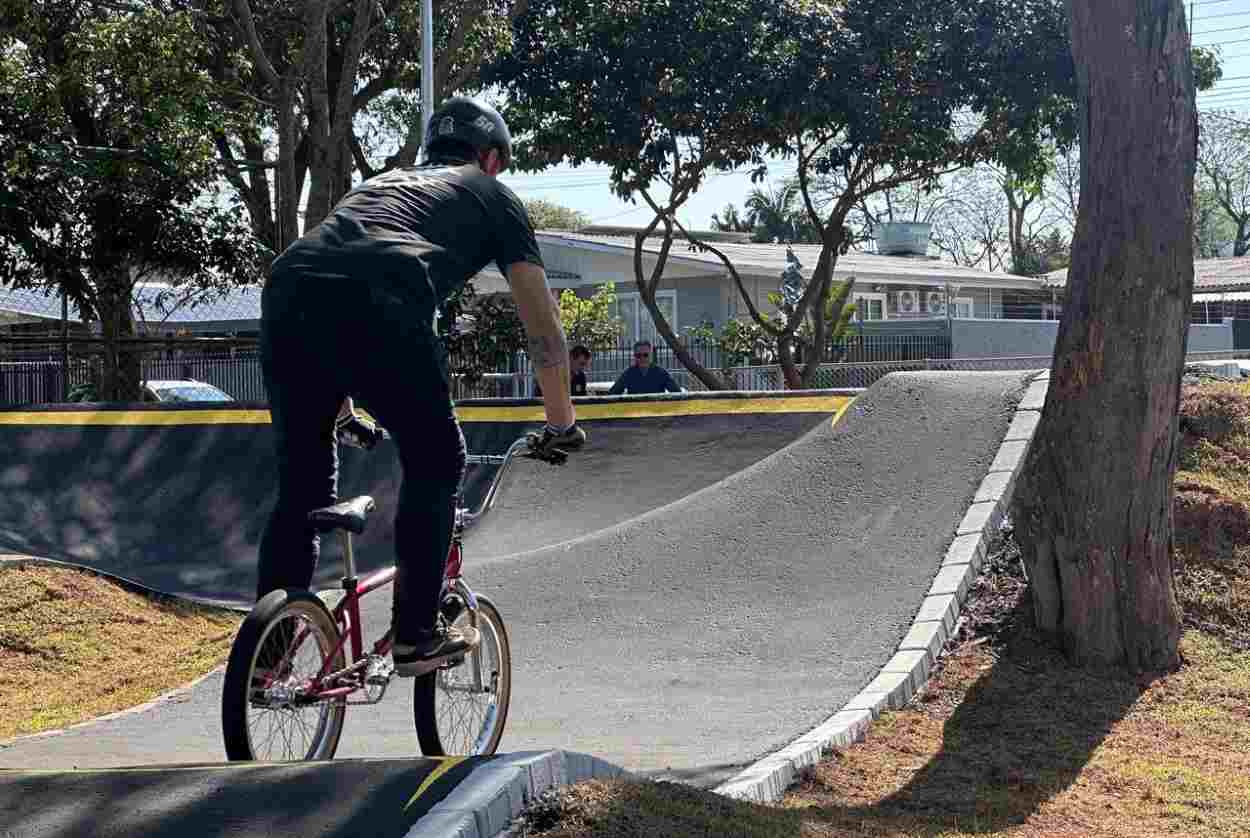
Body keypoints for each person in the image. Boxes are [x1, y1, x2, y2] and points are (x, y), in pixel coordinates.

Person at [258, 96, 586, 677]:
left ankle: (266, 658)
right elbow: (543, 327)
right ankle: (415, 633)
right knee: (438, 457)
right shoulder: (493, 196)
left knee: (303, 489)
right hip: (384, 298)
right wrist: (561, 423)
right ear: (490, 158)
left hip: (287, 289)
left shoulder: (381, 184)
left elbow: (335, 273)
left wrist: (345, 405)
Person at [608, 340, 682, 395]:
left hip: (656, 412)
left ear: (651, 355)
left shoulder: (661, 373)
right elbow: (613, 393)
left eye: (645, 355)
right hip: (635, 413)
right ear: (634, 356)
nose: (642, 358)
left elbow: (677, 393)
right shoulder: (628, 373)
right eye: (638, 355)